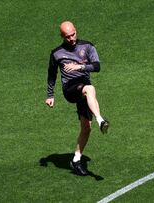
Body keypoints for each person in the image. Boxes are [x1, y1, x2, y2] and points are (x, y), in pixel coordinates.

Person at [45, 21, 109, 176]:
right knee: (90, 89)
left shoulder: (87, 46)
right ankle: (101, 119)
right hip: (70, 90)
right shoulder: (56, 53)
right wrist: (50, 95)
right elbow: (52, 74)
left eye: (73, 34)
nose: (71, 38)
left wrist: (79, 67)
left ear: (76, 31)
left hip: (84, 92)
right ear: (62, 36)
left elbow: (97, 66)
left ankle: (76, 160)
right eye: (67, 37)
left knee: (86, 127)